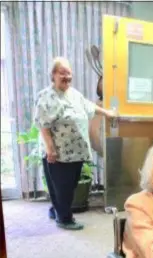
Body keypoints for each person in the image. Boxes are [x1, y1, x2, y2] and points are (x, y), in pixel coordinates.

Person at [34, 57, 116, 230]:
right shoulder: (46, 97)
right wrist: (50, 149)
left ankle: (55, 209)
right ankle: (64, 219)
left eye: (69, 73)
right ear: (53, 75)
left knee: (67, 186)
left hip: (76, 152)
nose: (66, 76)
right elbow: (42, 124)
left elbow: (89, 106)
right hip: (59, 153)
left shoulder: (74, 93)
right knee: (62, 187)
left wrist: (107, 113)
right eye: (62, 72)